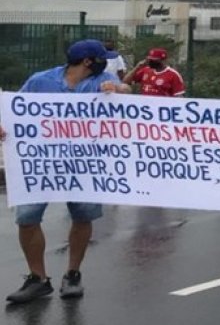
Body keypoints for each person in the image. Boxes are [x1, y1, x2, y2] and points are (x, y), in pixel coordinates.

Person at [3, 39, 131, 304]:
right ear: (88, 61)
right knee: (27, 217)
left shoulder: (102, 80)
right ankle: (37, 278)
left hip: (85, 162)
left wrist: (117, 89)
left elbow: (125, 89)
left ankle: (73, 274)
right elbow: (16, 109)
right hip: (42, 161)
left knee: (83, 215)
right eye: (100, 58)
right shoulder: (41, 81)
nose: (104, 63)